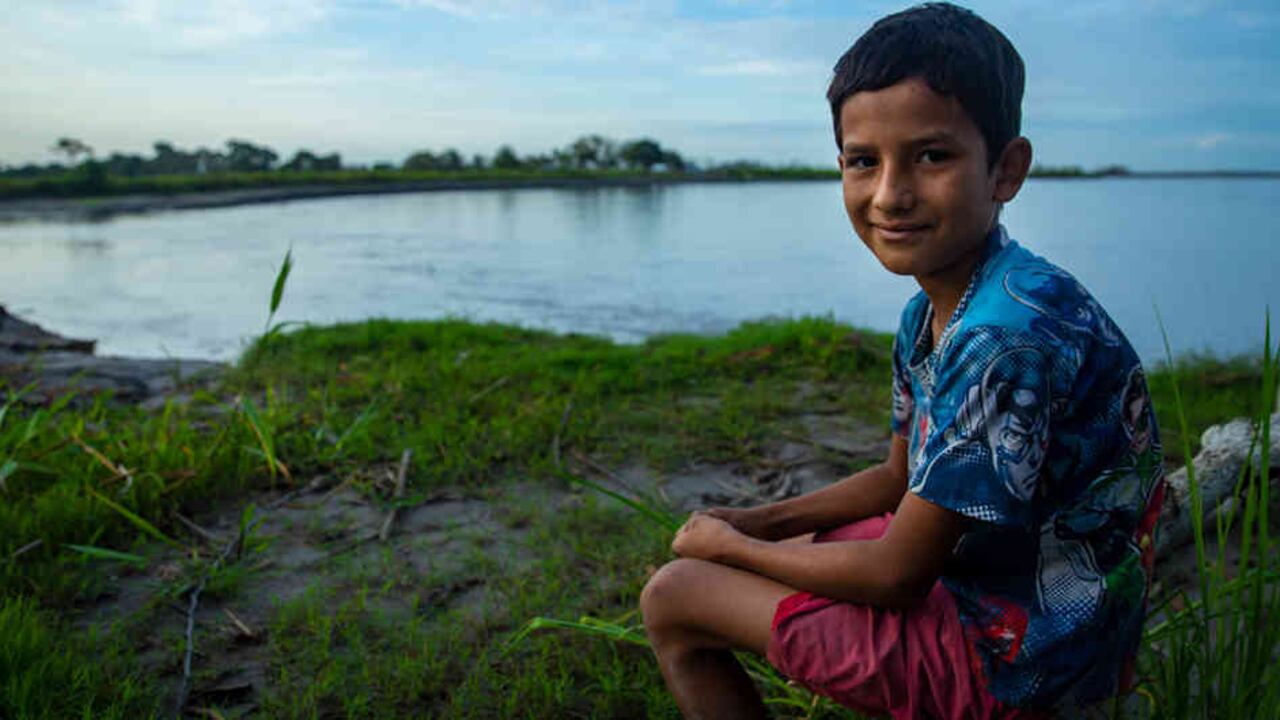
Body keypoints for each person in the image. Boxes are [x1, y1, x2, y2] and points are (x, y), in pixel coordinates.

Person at [638, 3, 1166, 718]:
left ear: (1006, 168)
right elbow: (896, 477)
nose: (890, 195)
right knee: (804, 539)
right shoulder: (941, 305)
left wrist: (730, 552)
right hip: (1013, 590)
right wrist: (755, 521)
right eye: (864, 161)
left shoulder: (1001, 341)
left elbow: (897, 576)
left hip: (1028, 660)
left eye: (931, 156)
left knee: (674, 596)